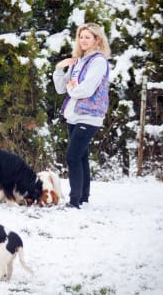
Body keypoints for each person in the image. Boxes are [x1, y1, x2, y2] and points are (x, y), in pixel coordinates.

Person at [52, 22, 111, 209]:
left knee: (72, 156)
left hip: (90, 116)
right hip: (73, 115)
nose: (83, 40)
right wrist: (59, 69)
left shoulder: (99, 61)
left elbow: (85, 89)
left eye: (88, 37)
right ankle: (84, 197)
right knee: (81, 156)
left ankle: (74, 200)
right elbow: (62, 89)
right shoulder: (77, 62)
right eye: (81, 37)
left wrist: (72, 88)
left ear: (97, 40)